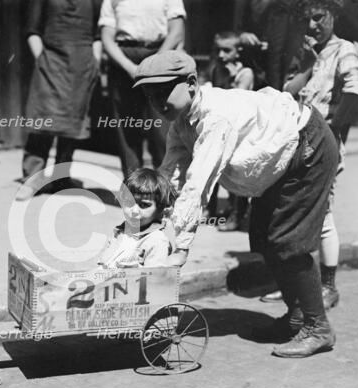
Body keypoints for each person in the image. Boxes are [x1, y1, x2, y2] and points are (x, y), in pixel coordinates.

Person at [135, 50, 339, 358]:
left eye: (164, 92)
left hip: (307, 150)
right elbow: (169, 178)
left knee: (288, 242)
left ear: (191, 84)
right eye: (151, 96)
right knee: (264, 238)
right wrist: (141, 222)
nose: (157, 102)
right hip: (281, 163)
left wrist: (180, 249)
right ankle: (297, 317)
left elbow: (197, 186)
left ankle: (317, 327)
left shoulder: (216, 117)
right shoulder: (181, 124)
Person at [261, 0, 358, 309]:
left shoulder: (344, 50)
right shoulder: (307, 53)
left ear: (333, 14)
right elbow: (286, 93)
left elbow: (353, 93)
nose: (312, 26)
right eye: (306, 20)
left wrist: (332, 128)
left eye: (318, 18)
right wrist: (306, 65)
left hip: (323, 148)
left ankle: (328, 286)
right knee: (291, 214)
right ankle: (293, 283)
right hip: (294, 146)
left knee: (323, 216)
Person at [15, 0, 103, 201]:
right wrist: (42, 59)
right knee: (43, 119)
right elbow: (32, 30)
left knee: (71, 124)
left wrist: (95, 61)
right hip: (51, 63)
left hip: (81, 66)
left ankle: (61, 178)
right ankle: (31, 179)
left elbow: (98, 33)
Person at [99, 0, 186, 179]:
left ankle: (165, 188)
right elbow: (107, 38)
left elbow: (176, 31)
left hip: (160, 56)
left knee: (162, 130)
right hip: (124, 62)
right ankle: (135, 189)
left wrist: (152, 64)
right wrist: (129, 67)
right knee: (128, 127)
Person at [203, 31, 254, 232]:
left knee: (235, 175)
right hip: (220, 127)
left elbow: (238, 101)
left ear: (238, 51)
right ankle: (211, 209)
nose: (222, 55)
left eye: (227, 50)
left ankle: (237, 214)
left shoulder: (245, 73)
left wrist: (232, 78)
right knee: (214, 169)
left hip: (239, 131)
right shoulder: (218, 69)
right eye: (218, 50)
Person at [98, 168, 177, 268]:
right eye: (129, 203)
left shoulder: (156, 241)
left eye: (144, 205)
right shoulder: (121, 232)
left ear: (160, 208)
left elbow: (154, 279)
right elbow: (103, 265)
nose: (134, 211)